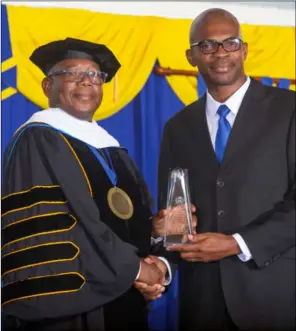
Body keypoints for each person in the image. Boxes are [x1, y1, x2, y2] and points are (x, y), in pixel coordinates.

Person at [1, 37, 173, 331]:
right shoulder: (39, 139)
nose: (86, 82)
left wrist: (155, 243)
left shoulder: (111, 147)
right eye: (72, 73)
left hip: (123, 300)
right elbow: (68, 225)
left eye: (95, 75)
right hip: (69, 310)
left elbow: (119, 220)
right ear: (47, 86)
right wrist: (136, 270)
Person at [157, 8, 295, 331]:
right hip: (201, 305)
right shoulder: (177, 128)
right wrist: (161, 262)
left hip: (273, 300)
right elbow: (176, 217)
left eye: (230, 43)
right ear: (191, 56)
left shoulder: (289, 110)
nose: (220, 54)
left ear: (244, 50)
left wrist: (237, 243)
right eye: (207, 45)